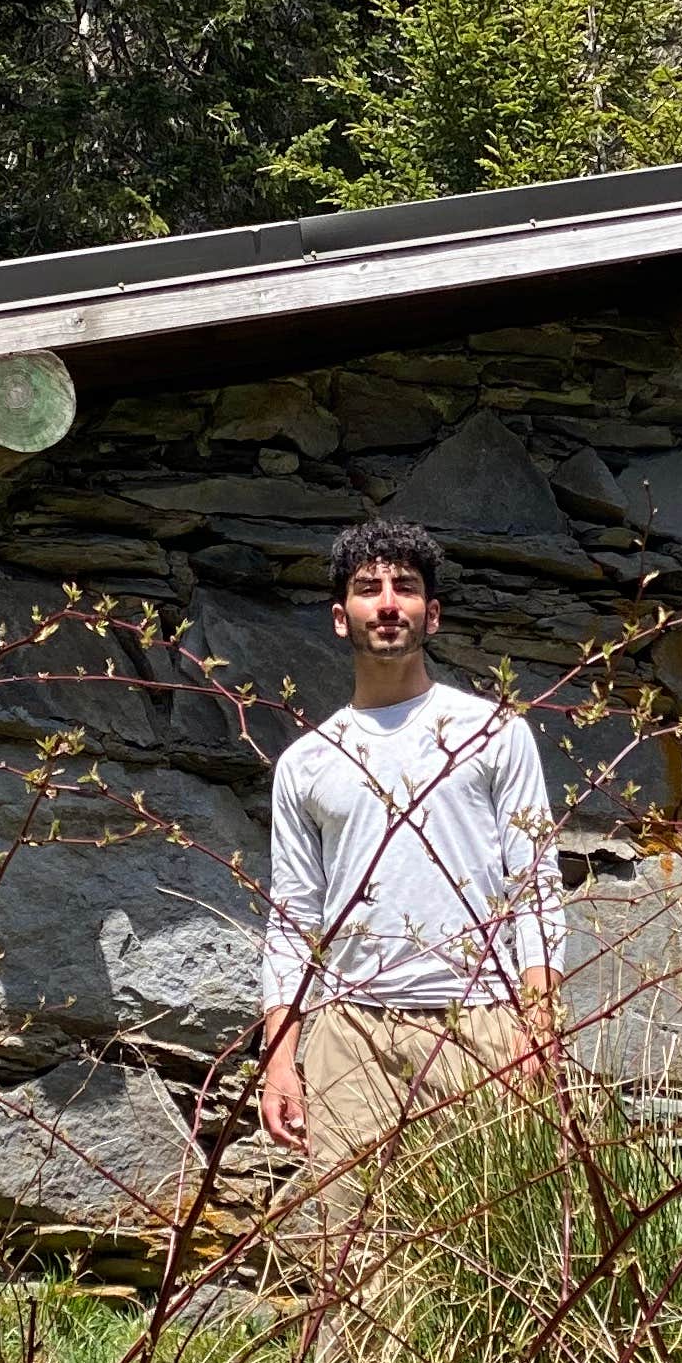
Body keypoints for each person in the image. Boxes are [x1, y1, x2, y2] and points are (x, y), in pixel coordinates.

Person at [255, 518, 568, 1217]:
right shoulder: (307, 763)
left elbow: (535, 885)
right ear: (342, 618)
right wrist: (280, 1056)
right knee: (348, 1255)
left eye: (406, 587)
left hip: (479, 1024)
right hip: (349, 1035)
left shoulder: (492, 733)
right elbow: (292, 917)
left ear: (433, 612)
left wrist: (537, 1028)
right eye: (369, 589)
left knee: (483, 1248)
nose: (388, 602)